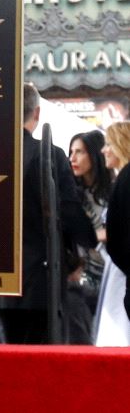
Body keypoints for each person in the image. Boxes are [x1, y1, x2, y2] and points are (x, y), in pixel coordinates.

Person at [0, 83, 96, 344]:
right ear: (37, 112)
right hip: (40, 278)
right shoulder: (49, 153)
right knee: (38, 351)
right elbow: (68, 208)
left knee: (5, 348)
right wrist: (87, 240)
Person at [68, 130, 111, 312]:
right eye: (71, 152)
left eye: (80, 152)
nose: (72, 158)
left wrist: (98, 234)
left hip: (112, 271)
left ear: (94, 153)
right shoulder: (72, 192)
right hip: (82, 276)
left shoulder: (114, 189)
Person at [96, 121, 130, 345]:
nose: (103, 150)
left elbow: (118, 235)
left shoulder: (125, 179)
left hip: (122, 273)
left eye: (109, 144)